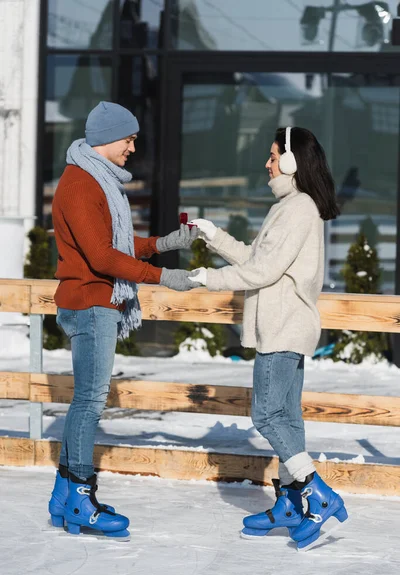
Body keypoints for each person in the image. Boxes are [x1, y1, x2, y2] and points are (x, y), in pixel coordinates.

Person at [189, 126, 348, 550]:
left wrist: (207, 278)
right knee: (287, 418)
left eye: (274, 154)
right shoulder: (291, 207)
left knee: (266, 416)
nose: (268, 162)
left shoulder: (298, 209)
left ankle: (316, 492)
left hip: (282, 327)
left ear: (293, 162)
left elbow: (261, 273)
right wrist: (213, 235)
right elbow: (256, 258)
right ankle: (292, 503)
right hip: (285, 326)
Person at [49, 101, 200, 539]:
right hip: (92, 302)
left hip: (97, 302)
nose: (134, 147)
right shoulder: (80, 184)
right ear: (107, 138)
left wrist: (163, 243)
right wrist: (162, 277)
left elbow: (115, 241)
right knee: (89, 402)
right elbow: (101, 256)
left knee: (86, 400)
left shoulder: (94, 180)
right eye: (129, 139)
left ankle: (63, 496)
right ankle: (80, 496)